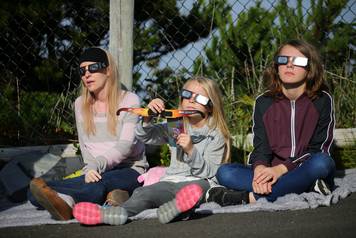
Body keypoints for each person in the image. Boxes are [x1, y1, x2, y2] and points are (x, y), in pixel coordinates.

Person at [72, 76, 232, 225]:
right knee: (143, 193)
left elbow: (209, 173)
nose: (190, 100)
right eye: (186, 94)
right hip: (170, 181)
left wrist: (191, 151)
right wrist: (148, 117)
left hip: (198, 182)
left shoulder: (215, 135)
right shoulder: (175, 125)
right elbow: (146, 136)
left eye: (199, 98)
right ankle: (116, 214)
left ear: (211, 106)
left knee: (197, 190)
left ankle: (177, 210)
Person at [206, 39, 336, 206]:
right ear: (276, 66)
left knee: (322, 163)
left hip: (305, 168)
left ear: (310, 68)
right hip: (272, 172)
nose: (289, 65)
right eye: (283, 60)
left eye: (298, 61)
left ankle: (248, 198)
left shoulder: (322, 100)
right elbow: (261, 148)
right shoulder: (264, 102)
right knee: (225, 172)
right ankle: (305, 187)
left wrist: (281, 170)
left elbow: (320, 149)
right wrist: (260, 169)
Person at [28, 47, 148, 220]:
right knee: (33, 192)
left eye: (93, 68)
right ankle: (94, 198)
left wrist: (95, 167)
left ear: (107, 70)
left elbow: (125, 147)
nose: (86, 74)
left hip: (130, 169)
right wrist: (90, 168)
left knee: (95, 186)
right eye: (82, 70)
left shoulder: (130, 100)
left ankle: (68, 202)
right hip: (95, 170)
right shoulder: (80, 104)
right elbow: (85, 147)